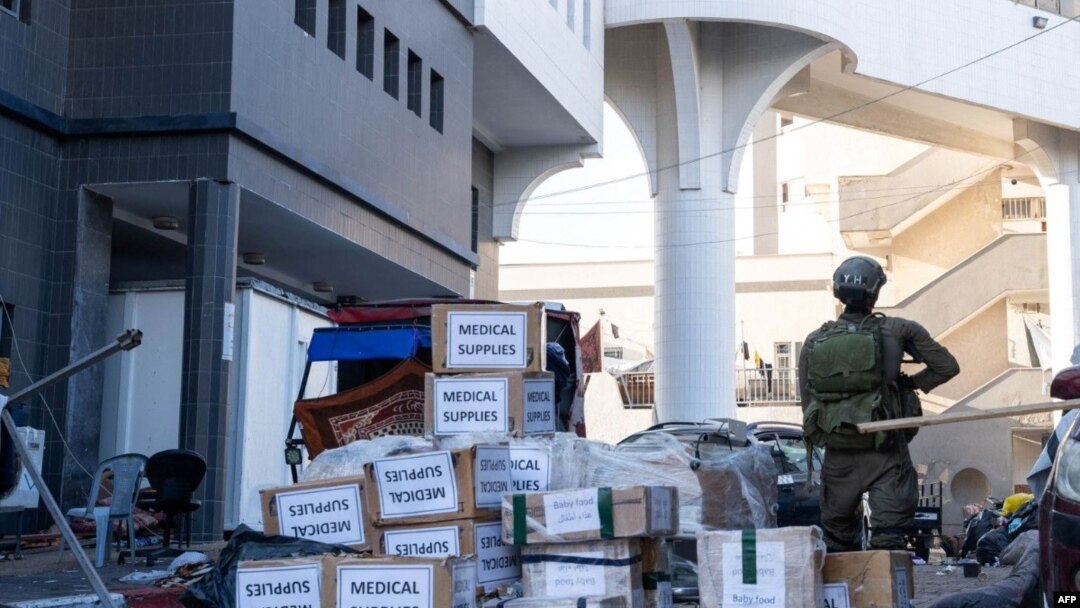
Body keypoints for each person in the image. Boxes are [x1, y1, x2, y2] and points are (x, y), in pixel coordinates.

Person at [799, 256, 959, 552]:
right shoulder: (900, 330)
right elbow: (946, 366)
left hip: (838, 456)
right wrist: (908, 384)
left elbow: (808, 404)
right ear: (875, 293)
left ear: (838, 291)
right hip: (887, 453)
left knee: (838, 543)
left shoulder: (813, 341)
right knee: (888, 542)